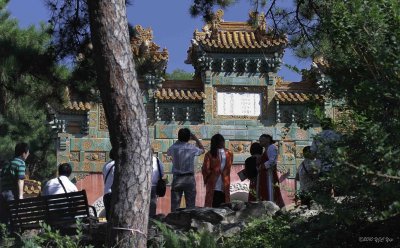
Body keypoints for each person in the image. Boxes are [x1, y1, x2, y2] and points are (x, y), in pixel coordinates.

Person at [167, 128, 204, 212]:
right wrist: (195, 139)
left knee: (174, 207)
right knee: (190, 207)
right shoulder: (192, 148)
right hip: (189, 179)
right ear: (189, 137)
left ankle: (173, 223)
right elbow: (202, 150)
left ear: (178, 137)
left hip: (177, 179)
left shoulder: (174, 147)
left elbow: (168, 152)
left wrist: (178, 141)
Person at [0, 143, 30, 223]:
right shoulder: (21, 163)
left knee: (4, 220)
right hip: (11, 194)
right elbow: (20, 180)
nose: (28, 154)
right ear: (24, 153)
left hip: (2, 193)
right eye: (28, 152)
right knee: (13, 220)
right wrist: (20, 196)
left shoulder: (8, 163)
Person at [202, 134, 233, 208]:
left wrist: (208, 176)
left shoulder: (209, 154)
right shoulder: (229, 153)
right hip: (225, 181)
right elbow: (229, 166)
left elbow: (206, 169)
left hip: (213, 182)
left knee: (213, 204)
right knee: (224, 203)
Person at [258, 134, 284, 207]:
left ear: (267, 140)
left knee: (270, 191)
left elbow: (272, 161)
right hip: (265, 174)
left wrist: (262, 166)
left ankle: (271, 208)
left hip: (269, 175)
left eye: (261, 140)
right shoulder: (267, 149)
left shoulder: (272, 147)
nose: (260, 141)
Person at [150, 149, 164, 217]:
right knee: (152, 205)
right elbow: (162, 173)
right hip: (154, 186)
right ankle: (151, 220)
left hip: (142, 186)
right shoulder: (157, 160)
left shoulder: (139, 159)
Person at [102, 148, 115, 221]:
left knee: (108, 219)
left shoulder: (106, 165)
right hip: (113, 195)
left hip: (106, 194)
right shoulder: (117, 165)